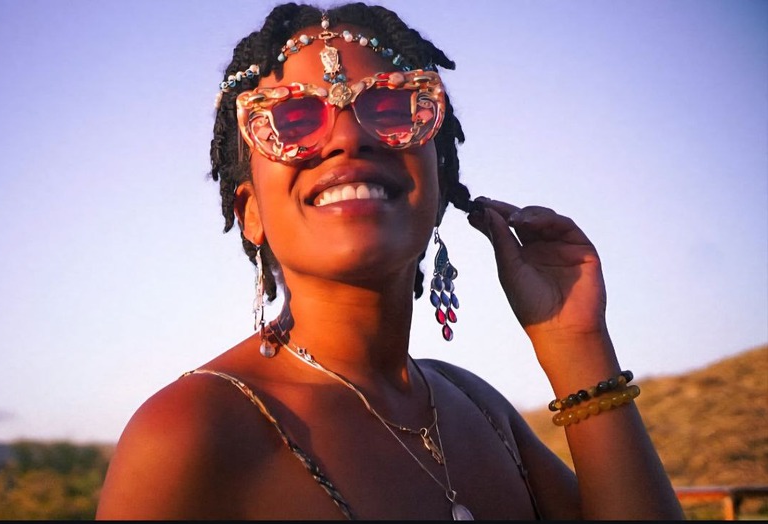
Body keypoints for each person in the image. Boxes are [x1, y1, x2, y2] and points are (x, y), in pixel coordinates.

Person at [96, 2, 684, 520]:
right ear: (250, 212)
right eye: (293, 120)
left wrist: (575, 344)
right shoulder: (190, 433)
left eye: (392, 109)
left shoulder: (479, 409)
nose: (348, 138)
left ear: (439, 181)